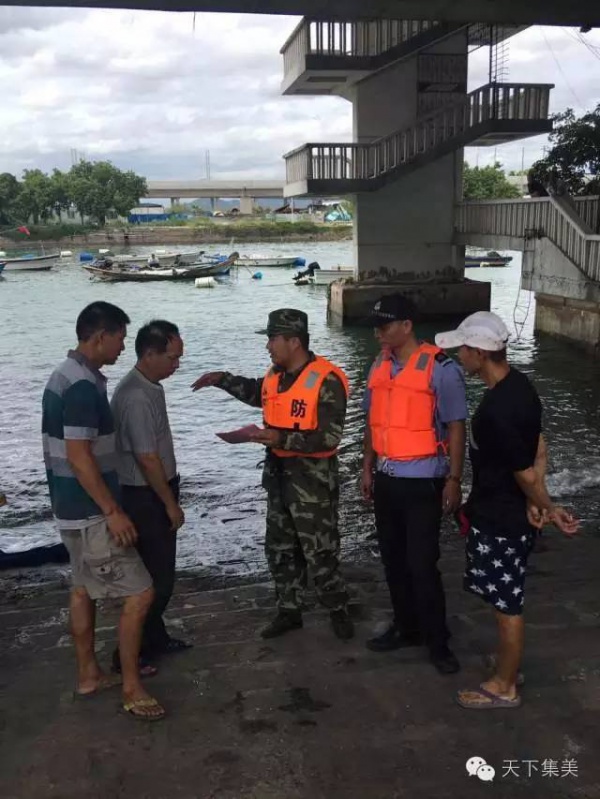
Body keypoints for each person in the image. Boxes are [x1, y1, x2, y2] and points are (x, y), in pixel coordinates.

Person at [434, 311, 579, 709]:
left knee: (506, 604)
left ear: (480, 353)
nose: (459, 356)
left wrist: (548, 507)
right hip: (508, 512)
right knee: (502, 596)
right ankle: (508, 665)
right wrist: (537, 503)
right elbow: (538, 449)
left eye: (463, 349)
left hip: (502, 519)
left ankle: (504, 685)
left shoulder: (496, 411)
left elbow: (525, 473)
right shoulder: (521, 388)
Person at [191, 308, 354, 640]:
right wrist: (221, 379)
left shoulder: (327, 380)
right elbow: (257, 393)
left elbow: (330, 437)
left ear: (293, 341)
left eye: (272, 339)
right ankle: (289, 610)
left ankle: (337, 609)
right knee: (280, 549)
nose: (268, 347)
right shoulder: (275, 376)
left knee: (320, 550)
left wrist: (281, 438)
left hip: (313, 485)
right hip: (279, 479)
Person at [42, 301, 165, 721]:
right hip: (92, 513)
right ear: (99, 336)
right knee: (140, 592)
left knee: (82, 590)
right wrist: (112, 509)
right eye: (119, 338)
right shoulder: (79, 386)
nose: (121, 347)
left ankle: (88, 674)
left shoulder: (66, 375)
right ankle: (132, 686)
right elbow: (79, 455)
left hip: (69, 509)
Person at [360, 294, 467, 675]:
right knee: (392, 560)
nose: (378, 334)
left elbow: (456, 425)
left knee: (422, 564)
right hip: (387, 479)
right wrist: (367, 467)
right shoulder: (379, 365)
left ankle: (438, 642)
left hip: (424, 482)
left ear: (407, 326)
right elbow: (374, 423)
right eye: (376, 327)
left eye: (385, 326)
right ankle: (406, 628)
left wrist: (454, 479)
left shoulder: (440, 367)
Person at [111, 320, 190, 661]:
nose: (177, 366)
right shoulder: (137, 396)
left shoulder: (149, 386)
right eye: (172, 358)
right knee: (157, 580)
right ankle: (128, 653)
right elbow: (147, 458)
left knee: (158, 574)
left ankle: (155, 638)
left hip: (152, 489)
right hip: (145, 495)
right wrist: (170, 504)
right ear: (149, 354)